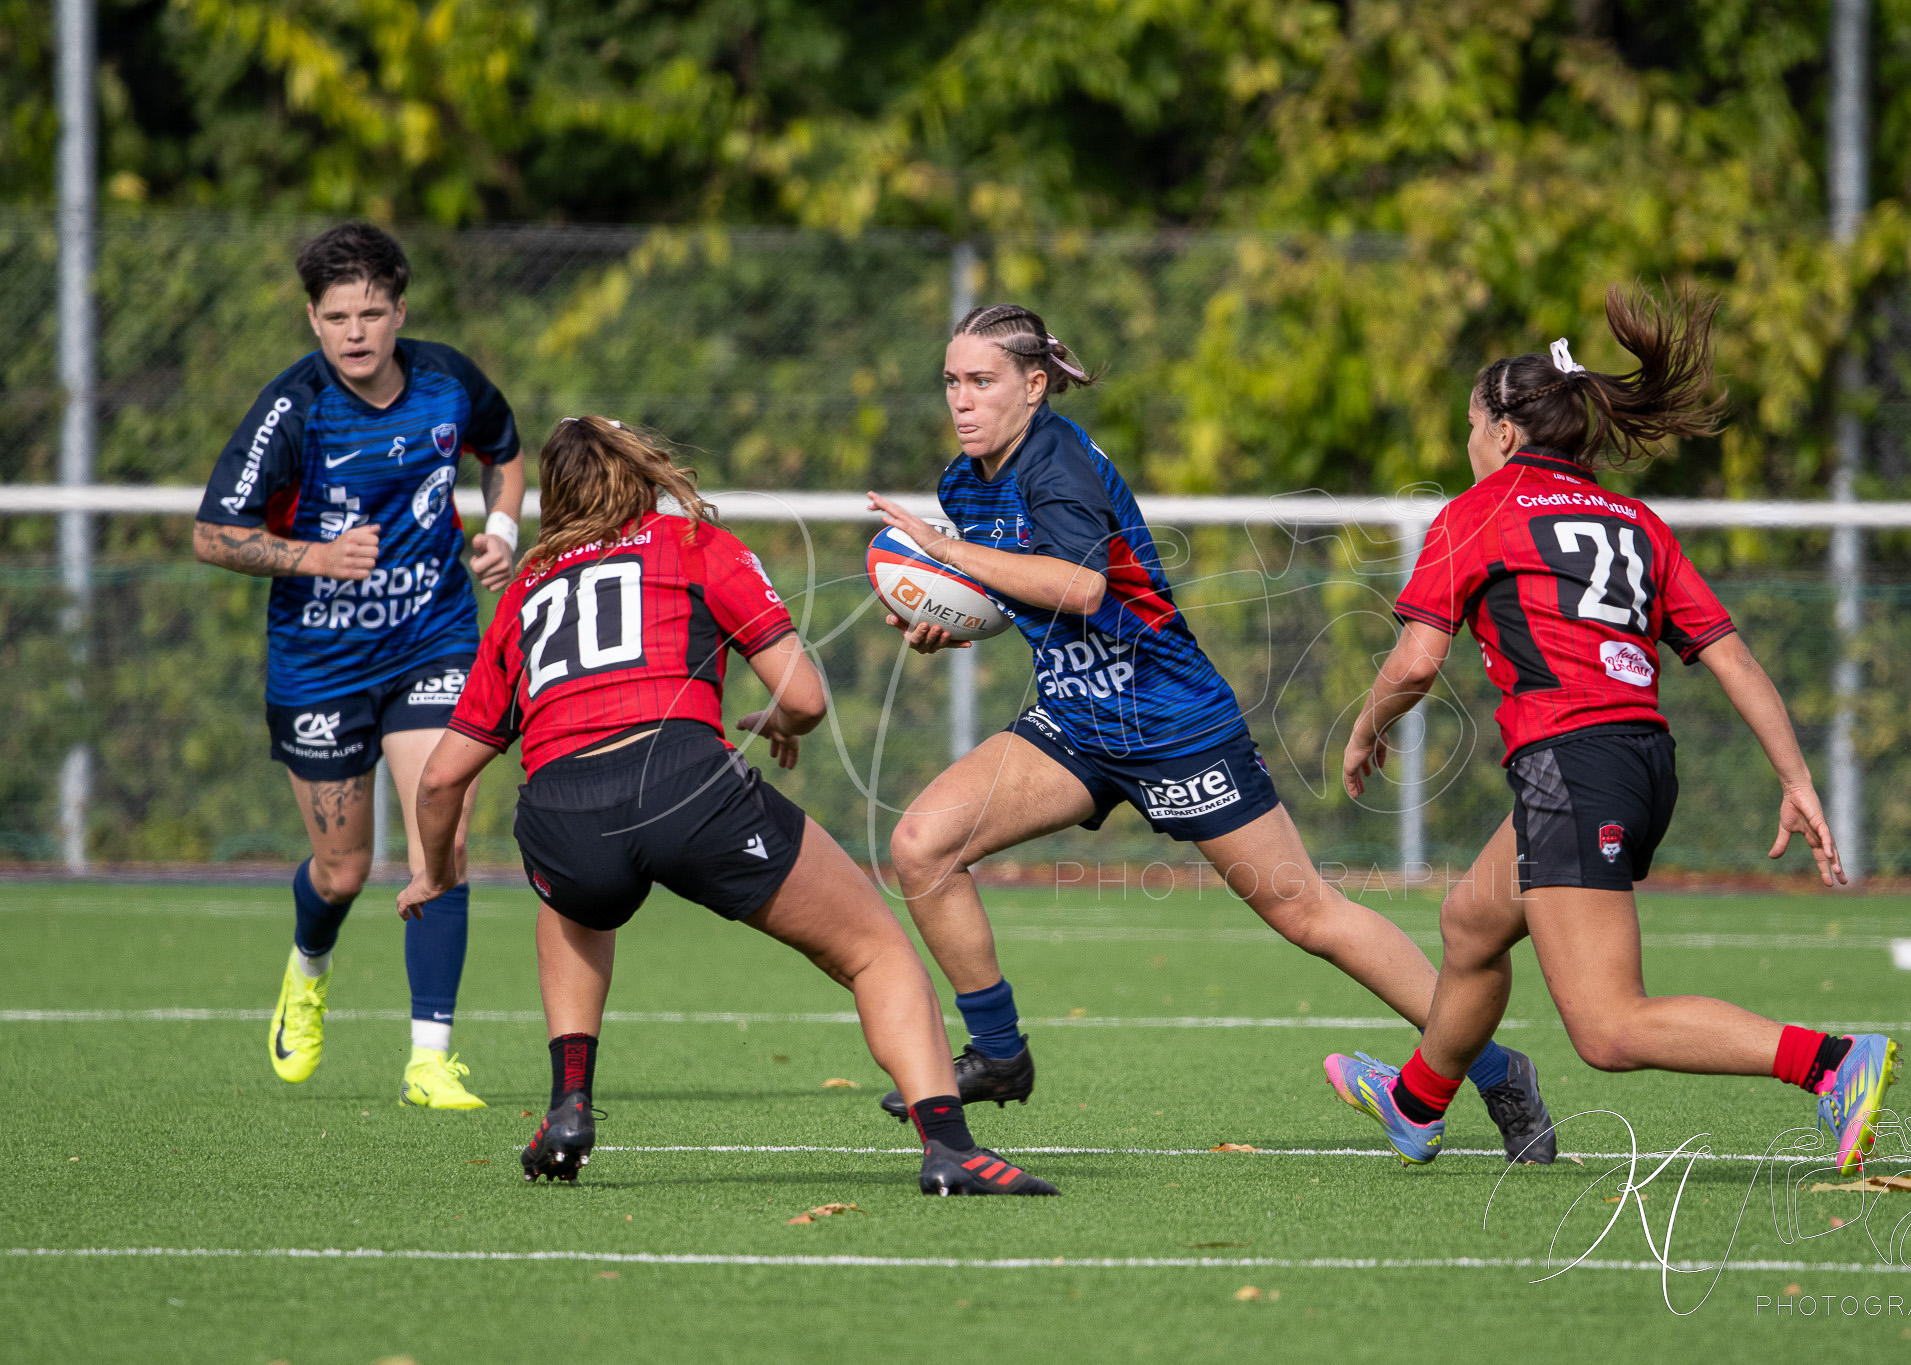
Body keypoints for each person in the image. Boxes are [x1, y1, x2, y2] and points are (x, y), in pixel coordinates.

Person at [867, 304, 1557, 1164]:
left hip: (1172, 720)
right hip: (1075, 720)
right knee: (923, 845)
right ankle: (999, 1052)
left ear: (1034, 386)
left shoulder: (1056, 464)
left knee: (1308, 913)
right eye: (951, 381)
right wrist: (955, 618)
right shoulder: (965, 482)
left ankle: (1494, 1068)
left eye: (982, 380)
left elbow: (1080, 587)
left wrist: (946, 556)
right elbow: (1022, 586)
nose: (961, 400)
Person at [397, 417, 1056, 1195]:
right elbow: (804, 698)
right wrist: (780, 721)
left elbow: (440, 779)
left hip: (561, 809)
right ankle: (949, 1147)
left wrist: (433, 872)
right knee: (876, 952)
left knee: (570, 896)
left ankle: (569, 1105)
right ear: (644, 472)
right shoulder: (694, 543)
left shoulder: (524, 593)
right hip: (682, 780)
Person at [1330, 286, 1897, 1173]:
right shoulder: (1635, 520)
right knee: (1471, 924)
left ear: (1504, 433)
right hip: (1639, 762)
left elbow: (1413, 662)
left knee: (1608, 1027)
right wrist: (1796, 778)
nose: (1468, 443)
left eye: (1470, 426)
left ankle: (1830, 1062)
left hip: (1573, 765)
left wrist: (1366, 729)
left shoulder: (1478, 511)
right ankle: (1417, 1101)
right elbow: (1734, 658)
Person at [193, 222, 526, 1109]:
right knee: (343, 871)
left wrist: (501, 530)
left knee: (444, 836)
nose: (355, 332)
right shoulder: (293, 411)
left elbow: (505, 449)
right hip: (322, 665)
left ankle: (430, 1058)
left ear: (399, 311)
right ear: (312, 318)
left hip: (433, 640)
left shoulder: (447, 380)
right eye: (337, 316)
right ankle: (309, 964)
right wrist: (316, 557)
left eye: (371, 313)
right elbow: (213, 533)